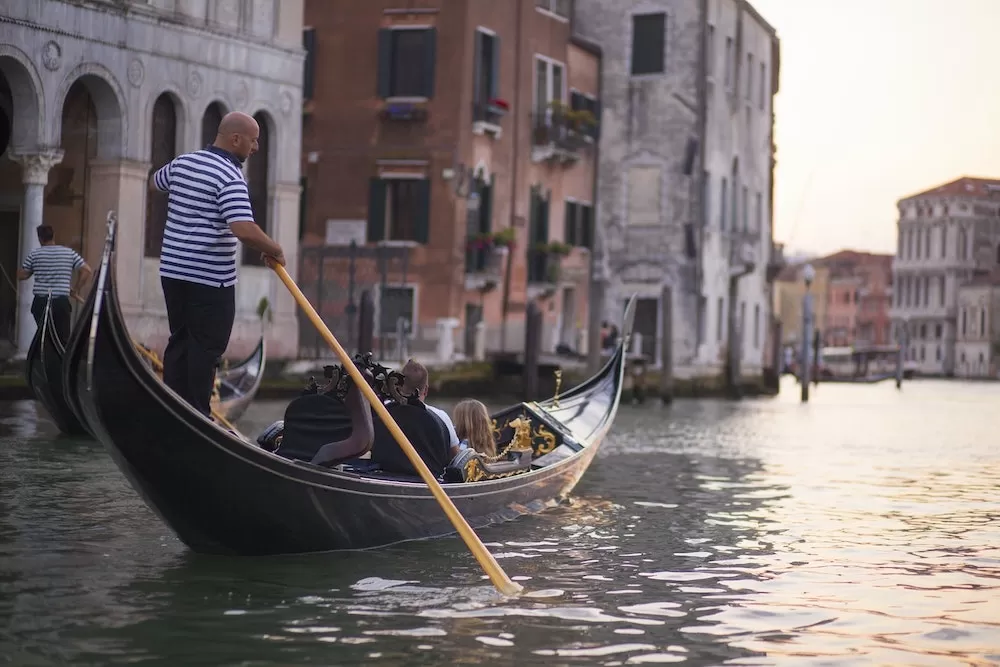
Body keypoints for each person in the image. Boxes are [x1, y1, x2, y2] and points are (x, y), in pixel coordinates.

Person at [149, 111, 285, 419]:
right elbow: (243, 228)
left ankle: (172, 409)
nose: (256, 148)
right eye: (254, 141)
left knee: (180, 341)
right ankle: (197, 415)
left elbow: (156, 182)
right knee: (206, 348)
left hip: (173, 272)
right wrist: (274, 248)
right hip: (210, 280)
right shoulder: (229, 176)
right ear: (235, 139)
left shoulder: (183, 162)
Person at [370, 359, 451, 477]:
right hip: (428, 484)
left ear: (398, 385)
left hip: (383, 478)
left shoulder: (381, 415)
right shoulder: (440, 421)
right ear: (426, 390)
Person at [17, 225, 92, 344]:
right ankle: (61, 360)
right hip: (60, 302)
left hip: (41, 302)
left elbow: (22, 276)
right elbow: (87, 270)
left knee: (44, 337)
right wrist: (76, 289)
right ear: (54, 236)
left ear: (40, 238)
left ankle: (45, 358)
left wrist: (33, 269)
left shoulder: (35, 254)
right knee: (63, 339)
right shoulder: (69, 253)